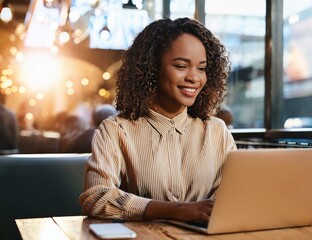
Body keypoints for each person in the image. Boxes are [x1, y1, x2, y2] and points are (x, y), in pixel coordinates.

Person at [79, 17, 237, 223]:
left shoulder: (217, 131)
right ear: (152, 69)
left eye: (202, 68)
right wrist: (175, 210)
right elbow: (96, 197)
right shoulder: (115, 130)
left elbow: (236, 193)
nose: (194, 78)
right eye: (181, 66)